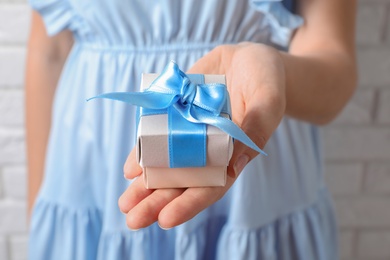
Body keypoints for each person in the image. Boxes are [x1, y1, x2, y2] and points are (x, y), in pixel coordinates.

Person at [25, 0, 357, 259]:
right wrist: (37, 207)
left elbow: (335, 66)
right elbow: (49, 52)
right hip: (91, 168)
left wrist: (277, 73)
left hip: (256, 176)